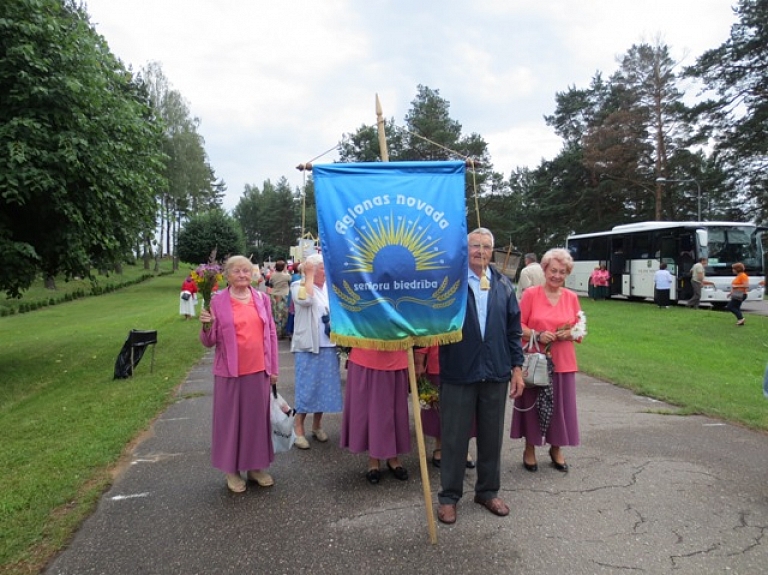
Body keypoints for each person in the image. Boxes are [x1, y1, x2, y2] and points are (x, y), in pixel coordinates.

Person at [436, 227, 526, 525]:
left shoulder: (503, 284)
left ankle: (487, 491)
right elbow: (433, 320)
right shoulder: (451, 283)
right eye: (474, 245)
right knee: (453, 438)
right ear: (466, 249)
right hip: (459, 370)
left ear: (493, 250)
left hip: (496, 371)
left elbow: (514, 330)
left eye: (486, 246)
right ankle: (449, 497)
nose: (480, 251)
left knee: (491, 437)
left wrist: (516, 368)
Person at [199, 255, 279, 493]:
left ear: (252, 274)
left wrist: (273, 368)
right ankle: (231, 471)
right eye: (237, 271)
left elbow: (271, 334)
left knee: (255, 421)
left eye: (246, 271)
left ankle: (255, 467)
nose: (242, 275)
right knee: (230, 422)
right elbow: (208, 342)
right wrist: (205, 324)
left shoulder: (262, 299)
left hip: (258, 369)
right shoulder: (217, 302)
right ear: (227, 275)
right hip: (230, 372)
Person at [511, 248, 584, 476]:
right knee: (533, 405)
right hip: (535, 361)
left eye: (562, 272)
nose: (557, 275)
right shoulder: (531, 294)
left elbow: (579, 329)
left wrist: (570, 333)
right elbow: (516, 326)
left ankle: (556, 448)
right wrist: (537, 334)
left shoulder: (572, 297)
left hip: (563, 361)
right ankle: (530, 448)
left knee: (560, 407)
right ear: (544, 270)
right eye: (553, 270)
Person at [289, 254, 343, 449]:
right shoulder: (298, 286)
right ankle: (298, 428)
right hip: (309, 345)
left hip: (329, 344)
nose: (325, 271)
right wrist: (308, 274)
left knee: (324, 388)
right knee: (307, 387)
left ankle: (317, 425)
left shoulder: (329, 289)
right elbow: (306, 300)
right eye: (321, 268)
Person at [341, 348, 411, 484]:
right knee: (371, 412)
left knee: (396, 411)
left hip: (395, 354)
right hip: (366, 353)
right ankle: (374, 459)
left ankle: (393, 457)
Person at [414, 346, 475, 469]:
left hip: (467, 360)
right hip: (438, 359)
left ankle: (463, 448)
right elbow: (426, 331)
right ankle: (439, 446)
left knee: (466, 406)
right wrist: (419, 361)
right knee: (439, 408)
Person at [268, 260, 292, 338]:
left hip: (274, 295)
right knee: (284, 314)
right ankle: (283, 331)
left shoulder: (273, 275)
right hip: (284, 295)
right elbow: (290, 282)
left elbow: (270, 284)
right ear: (283, 267)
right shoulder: (287, 276)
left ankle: (277, 332)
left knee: (275, 314)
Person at [726, 262, 749, 326]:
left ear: (737, 269)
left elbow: (746, 285)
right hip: (737, 293)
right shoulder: (738, 276)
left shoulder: (743, 276)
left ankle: (741, 318)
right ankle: (741, 322)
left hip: (741, 294)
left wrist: (736, 287)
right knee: (736, 307)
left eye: (733, 269)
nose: (732, 270)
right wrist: (731, 293)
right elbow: (735, 285)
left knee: (730, 306)